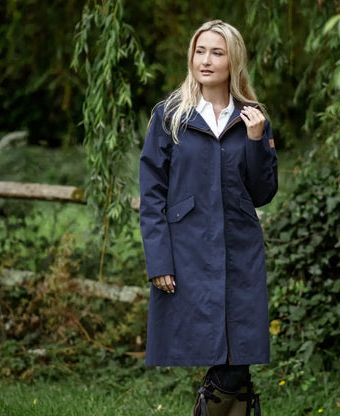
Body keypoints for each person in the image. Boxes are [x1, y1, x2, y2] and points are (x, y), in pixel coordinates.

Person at [139, 19, 278, 416]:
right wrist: (159, 261)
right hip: (188, 253)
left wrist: (256, 143)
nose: (206, 60)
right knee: (232, 368)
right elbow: (152, 196)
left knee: (239, 364)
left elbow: (263, 192)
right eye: (200, 51)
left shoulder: (252, 118)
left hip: (240, 253)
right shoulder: (169, 116)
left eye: (217, 52)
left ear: (233, 60)